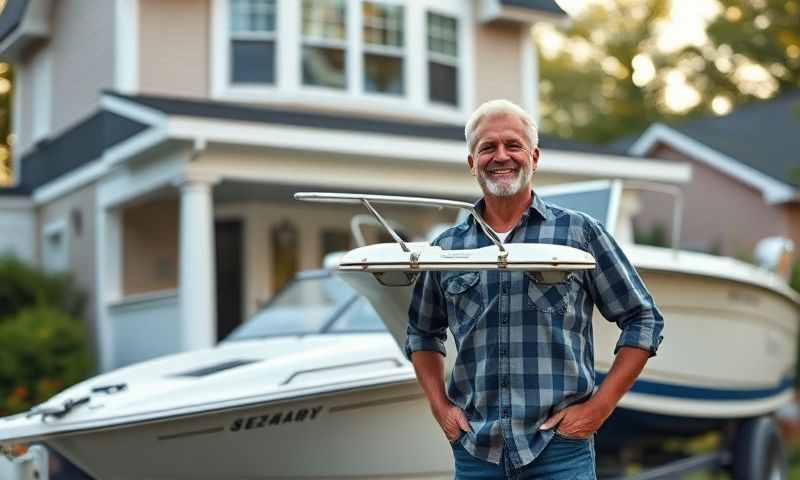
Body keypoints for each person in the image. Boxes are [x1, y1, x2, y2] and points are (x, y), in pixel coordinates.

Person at [404, 99, 664, 479]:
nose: (501, 156)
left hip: (560, 450)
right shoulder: (446, 247)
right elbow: (421, 333)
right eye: (487, 147)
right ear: (471, 162)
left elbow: (643, 318)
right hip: (477, 451)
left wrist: (600, 408)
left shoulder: (579, 233)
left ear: (535, 156)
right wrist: (439, 408)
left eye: (513, 145)